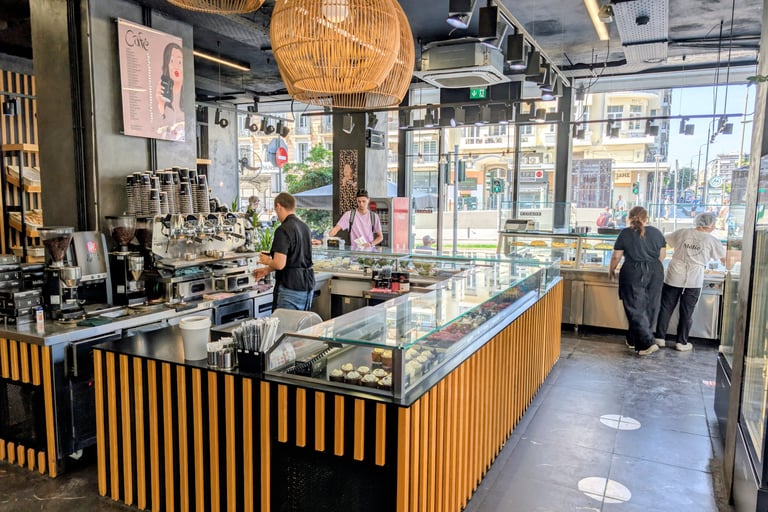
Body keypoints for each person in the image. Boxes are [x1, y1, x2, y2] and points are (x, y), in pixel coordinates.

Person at [654, 212, 726, 351]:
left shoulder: (682, 232)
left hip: (675, 273)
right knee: (687, 311)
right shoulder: (711, 240)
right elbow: (723, 259)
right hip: (694, 277)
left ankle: (660, 338)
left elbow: (664, 241)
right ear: (710, 225)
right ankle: (681, 342)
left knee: (666, 307)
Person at [608, 206, 667, 355]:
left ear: (629, 217)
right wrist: (652, 267)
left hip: (633, 271)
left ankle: (647, 343)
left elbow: (616, 256)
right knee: (650, 305)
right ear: (646, 218)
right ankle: (633, 339)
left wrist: (612, 269)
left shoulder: (626, 233)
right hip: (655, 270)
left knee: (635, 307)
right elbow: (662, 255)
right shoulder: (656, 232)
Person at [253, 192, 315, 311]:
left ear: (278, 206)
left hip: (290, 287)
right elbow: (293, 258)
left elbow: (279, 263)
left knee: (284, 327)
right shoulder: (304, 227)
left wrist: (267, 260)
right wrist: (266, 270)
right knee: (300, 328)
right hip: (307, 286)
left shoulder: (283, 230)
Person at [155, 42, 185, 141]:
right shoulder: (164, 95)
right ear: (166, 64)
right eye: (171, 61)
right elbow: (159, 133)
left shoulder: (186, 98)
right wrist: (160, 105)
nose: (176, 66)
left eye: (180, 62)